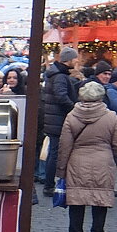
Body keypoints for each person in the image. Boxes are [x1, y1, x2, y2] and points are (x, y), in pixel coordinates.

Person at [57, 81, 117, 232]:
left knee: (76, 198)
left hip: (77, 160)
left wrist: (61, 169)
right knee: (100, 198)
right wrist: (114, 156)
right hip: (103, 160)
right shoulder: (111, 116)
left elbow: (64, 145)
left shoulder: (72, 116)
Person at [42, 46, 80, 196]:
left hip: (54, 119)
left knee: (55, 151)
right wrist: (75, 109)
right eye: (75, 58)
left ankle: (49, 183)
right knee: (55, 152)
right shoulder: (60, 76)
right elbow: (61, 96)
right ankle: (49, 185)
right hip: (58, 120)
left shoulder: (58, 74)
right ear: (68, 59)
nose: (76, 61)